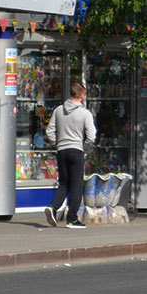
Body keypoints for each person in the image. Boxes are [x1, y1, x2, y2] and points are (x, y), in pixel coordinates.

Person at [45, 80, 96, 228]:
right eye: (84, 94)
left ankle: (53, 207)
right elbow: (91, 136)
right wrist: (84, 147)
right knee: (76, 185)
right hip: (76, 150)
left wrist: (58, 143)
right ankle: (72, 218)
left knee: (63, 182)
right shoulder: (84, 113)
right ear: (81, 95)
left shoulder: (58, 110)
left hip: (62, 151)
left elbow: (49, 131)